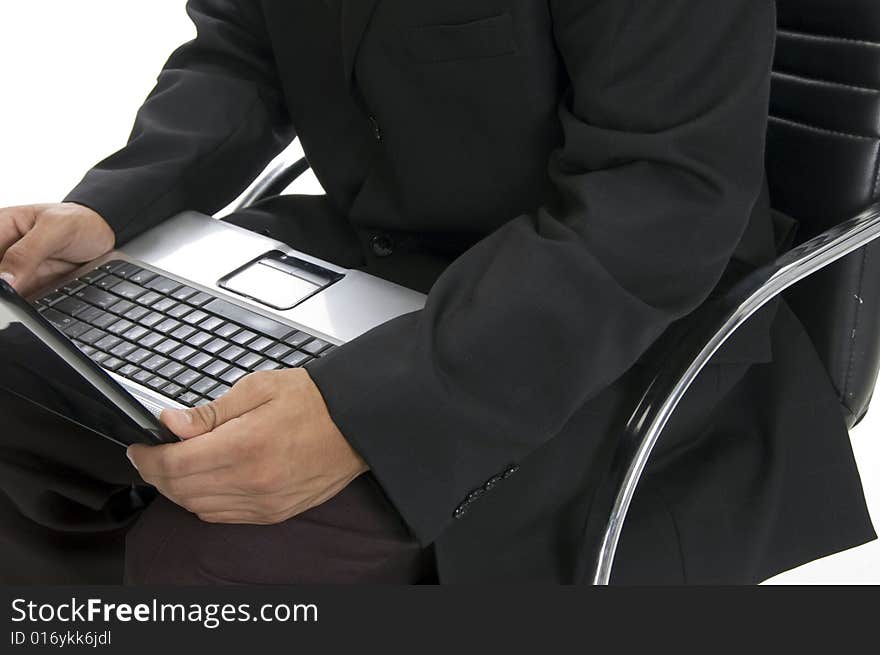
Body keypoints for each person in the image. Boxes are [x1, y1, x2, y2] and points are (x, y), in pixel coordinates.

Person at [0, 0, 874, 585]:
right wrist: (113, 208)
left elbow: (661, 198)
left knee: (211, 551)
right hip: (376, 261)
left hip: (616, 314)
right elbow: (241, 48)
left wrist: (369, 414)